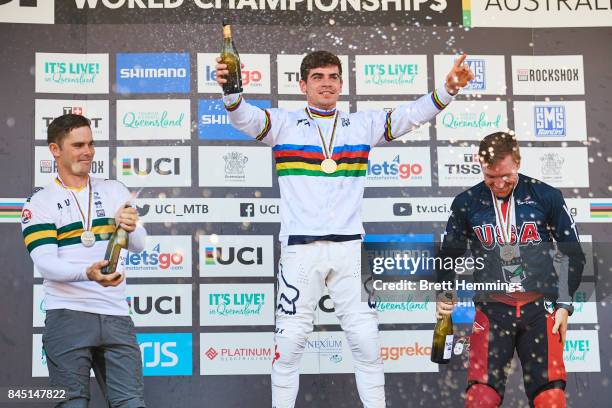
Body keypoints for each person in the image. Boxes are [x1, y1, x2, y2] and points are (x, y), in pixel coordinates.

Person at [215, 50, 474, 408]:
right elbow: (243, 118)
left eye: (333, 76)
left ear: (341, 83)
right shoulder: (283, 124)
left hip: (350, 249)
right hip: (300, 251)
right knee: (288, 346)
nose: (326, 83)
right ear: (302, 84)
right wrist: (231, 91)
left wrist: (447, 90)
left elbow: (409, 116)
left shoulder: (360, 125)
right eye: (318, 76)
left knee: (367, 343)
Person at [435, 132, 585, 408]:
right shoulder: (466, 202)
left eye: (506, 175)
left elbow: (573, 254)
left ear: (517, 161)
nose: (499, 183)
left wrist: (564, 304)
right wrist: (444, 294)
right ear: (480, 165)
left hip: (541, 309)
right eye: (491, 177)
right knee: (480, 398)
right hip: (492, 311)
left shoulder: (546, 196)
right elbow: (448, 256)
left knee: (551, 399)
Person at [21, 114, 147, 408]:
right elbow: (46, 263)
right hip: (67, 316)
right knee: (72, 403)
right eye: (77, 145)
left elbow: (140, 245)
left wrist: (131, 227)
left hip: (115, 315)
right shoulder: (39, 202)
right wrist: (87, 274)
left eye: (90, 144)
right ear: (55, 150)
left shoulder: (114, 189)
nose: (87, 152)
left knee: (131, 403)